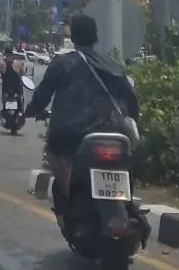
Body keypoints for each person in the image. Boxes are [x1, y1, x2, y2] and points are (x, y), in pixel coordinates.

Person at [23, 13, 139, 197]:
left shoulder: (62, 63)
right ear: (96, 37)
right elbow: (130, 99)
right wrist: (131, 121)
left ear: (73, 37)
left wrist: (30, 112)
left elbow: (42, 95)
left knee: (54, 152)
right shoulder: (112, 65)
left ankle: (67, 197)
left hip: (71, 135)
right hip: (111, 131)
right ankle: (129, 202)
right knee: (127, 158)